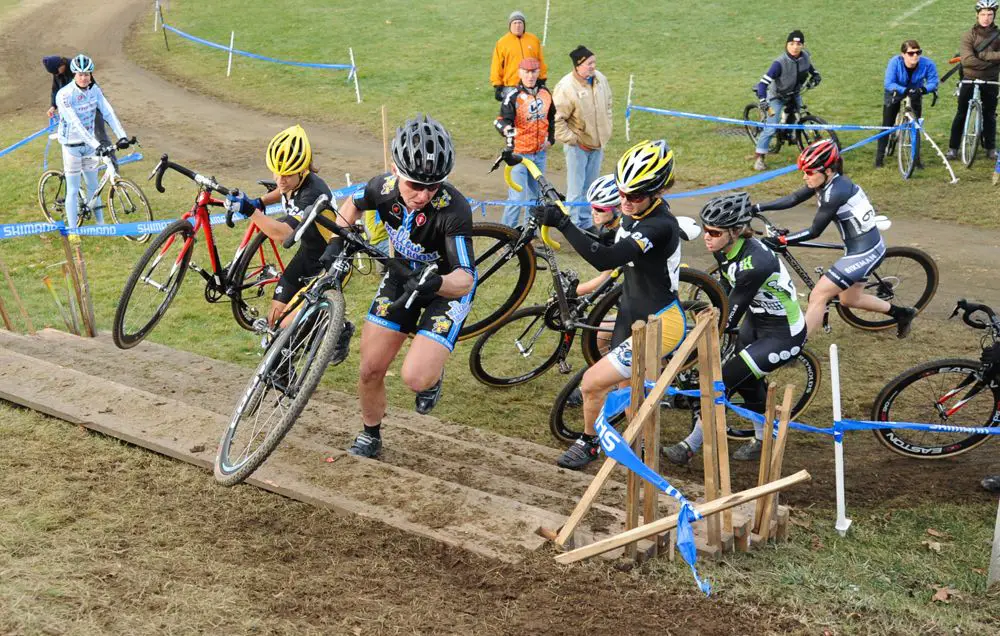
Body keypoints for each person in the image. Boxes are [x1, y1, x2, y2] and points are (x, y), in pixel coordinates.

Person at [332, 114, 476, 459]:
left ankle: (432, 375)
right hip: (402, 276)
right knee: (369, 369)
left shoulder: (454, 209)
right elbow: (352, 204)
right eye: (415, 185)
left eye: (434, 186)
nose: (424, 195)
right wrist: (339, 238)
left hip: (444, 286)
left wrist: (438, 281)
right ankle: (371, 433)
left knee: (415, 378)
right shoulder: (381, 188)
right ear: (396, 171)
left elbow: (466, 277)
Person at [533, 140, 684, 470]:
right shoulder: (633, 215)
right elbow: (604, 242)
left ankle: (592, 444)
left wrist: (563, 223)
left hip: (661, 322)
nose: (626, 202)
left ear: (657, 191)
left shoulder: (659, 225)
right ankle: (639, 451)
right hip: (630, 314)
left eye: (636, 196)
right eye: (622, 193)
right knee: (629, 396)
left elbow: (608, 256)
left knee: (592, 382)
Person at [663, 193, 806, 465]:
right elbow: (726, 287)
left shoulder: (756, 264)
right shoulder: (722, 248)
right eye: (705, 229)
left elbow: (728, 317)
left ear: (736, 231)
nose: (707, 236)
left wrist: (693, 334)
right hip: (757, 321)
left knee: (724, 379)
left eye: (714, 232)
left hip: (782, 334)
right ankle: (765, 438)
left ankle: (691, 445)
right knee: (748, 383)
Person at [754, 139, 917, 340]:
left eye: (809, 172)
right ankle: (902, 313)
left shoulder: (836, 191)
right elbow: (794, 198)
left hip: (865, 251)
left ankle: (792, 348)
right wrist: (759, 207)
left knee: (818, 295)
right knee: (849, 299)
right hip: (858, 247)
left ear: (828, 170)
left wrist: (784, 241)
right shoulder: (825, 180)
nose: (805, 177)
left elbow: (815, 231)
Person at [225, 125, 355, 368]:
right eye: (276, 173)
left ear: (303, 171)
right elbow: (283, 192)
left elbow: (282, 234)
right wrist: (261, 201)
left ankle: (339, 329)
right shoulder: (293, 182)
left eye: (286, 174)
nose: (279, 180)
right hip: (308, 253)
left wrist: (250, 210)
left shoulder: (313, 194)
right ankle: (284, 369)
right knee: (274, 319)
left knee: (290, 323)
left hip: (332, 263)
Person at [54, 54, 129, 232]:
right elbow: (76, 124)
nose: (84, 77)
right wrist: (97, 145)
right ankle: (73, 231)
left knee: (93, 185)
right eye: (80, 74)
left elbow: (108, 112)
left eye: (87, 74)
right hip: (71, 146)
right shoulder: (65, 95)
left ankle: (100, 226)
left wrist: (122, 136)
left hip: (89, 146)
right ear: (74, 74)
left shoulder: (94, 90)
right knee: (72, 189)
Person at [553, 45, 613, 230]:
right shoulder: (566, 87)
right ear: (578, 66)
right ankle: (573, 226)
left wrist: (607, 129)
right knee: (575, 191)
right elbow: (555, 120)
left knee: (591, 188)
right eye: (589, 63)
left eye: (594, 62)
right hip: (577, 148)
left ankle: (586, 223)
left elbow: (608, 103)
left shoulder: (600, 79)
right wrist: (573, 140)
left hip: (597, 145)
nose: (593, 66)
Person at [494, 57, 555, 228]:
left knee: (535, 196)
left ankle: (530, 233)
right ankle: (506, 234)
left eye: (534, 71)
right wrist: (508, 133)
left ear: (538, 72)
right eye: (527, 72)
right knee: (517, 197)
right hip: (518, 155)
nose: (530, 76)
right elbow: (501, 121)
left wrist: (551, 139)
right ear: (520, 73)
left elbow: (551, 117)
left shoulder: (545, 93)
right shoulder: (513, 96)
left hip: (539, 154)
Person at [753, 30, 822, 171]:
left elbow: (813, 71)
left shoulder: (805, 58)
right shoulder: (779, 63)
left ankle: (792, 135)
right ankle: (759, 158)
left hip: (794, 93)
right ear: (786, 45)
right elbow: (762, 84)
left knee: (801, 114)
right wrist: (762, 100)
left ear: (803, 45)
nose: (795, 47)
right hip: (776, 96)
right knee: (771, 127)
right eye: (792, 44)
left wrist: (816, 77)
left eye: (798, 44)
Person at [947, 1, 1000, 161]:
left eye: (990, 15)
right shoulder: (968, 35)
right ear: (977, 15)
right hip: (969, 78)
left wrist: (983, 56)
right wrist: (991, 62)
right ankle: (953, 148)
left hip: (991, 80)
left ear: (994, 16)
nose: (986, 18)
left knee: (990, 115)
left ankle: (990, 148)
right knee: (961, 113)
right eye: (983, 14)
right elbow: (967, 60)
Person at [876, 40, 939, 168]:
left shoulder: (928, 64)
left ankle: (916, 159)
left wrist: (923, 90)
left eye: (918, 52)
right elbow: (888, 83)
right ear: (903, 54)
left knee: (915, 126)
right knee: (887, 124)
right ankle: (879, 157)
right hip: (895, 91)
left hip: (915, 92)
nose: (915, 56)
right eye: (911, 53)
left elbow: (933, 81)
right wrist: (903, 90)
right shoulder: (895, 62)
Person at [490, 10, 548, 101]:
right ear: (510, 25)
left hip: (531, 84)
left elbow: (540, 61)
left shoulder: (533, 40)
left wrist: (542, 78)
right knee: (510, 114)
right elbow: (496, 65)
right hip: (511, 86)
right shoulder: (502, 43)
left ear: (524, 25)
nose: (517, 26)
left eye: (520, 23)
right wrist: (497, 85)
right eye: (515, 23)